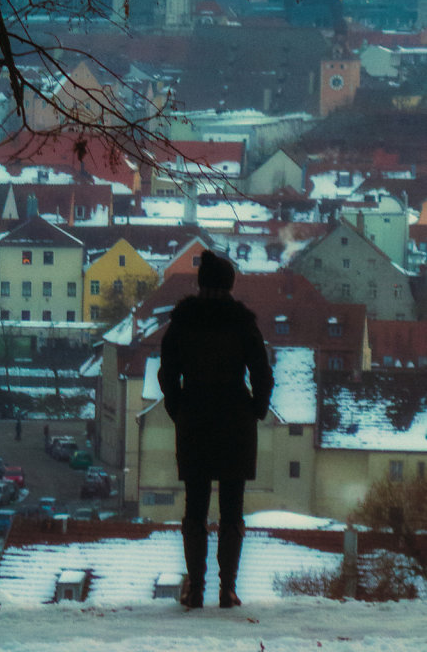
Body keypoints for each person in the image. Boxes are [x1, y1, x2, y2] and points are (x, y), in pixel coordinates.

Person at [158, 249, 273, 610]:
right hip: (235, 424)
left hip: (194, 420)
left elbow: (167, 373)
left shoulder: (182, 323)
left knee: (195, 509)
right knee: (232, 510)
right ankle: (228, 590)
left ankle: (196, 589)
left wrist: (179, 407)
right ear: (229, 284)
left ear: (201, 283)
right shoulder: (242, 323)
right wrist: (255, 408)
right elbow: (262, 374)